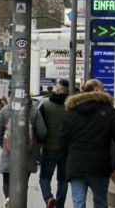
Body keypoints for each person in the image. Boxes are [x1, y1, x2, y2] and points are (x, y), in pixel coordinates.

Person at [59, 78, 115, 208]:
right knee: (100, 201)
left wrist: (65, 163)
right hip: (99, 165)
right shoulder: (108, 111)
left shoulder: (71, 112)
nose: (105, 91)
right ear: (96, 90)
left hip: (76, 164)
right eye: (103, 89)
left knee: (78, 203)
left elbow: (62, 139)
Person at [0, 96, 47, 208]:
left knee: (7, 180)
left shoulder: (6, 110)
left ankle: (9, 199)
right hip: (28, 155)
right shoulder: (34, 111)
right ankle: (19, 203)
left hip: (9, 154)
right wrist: (36, 145)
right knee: (23, 182)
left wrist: (5, 145)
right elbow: (42, 133)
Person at [38, 79, 70, 208]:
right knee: (63, 179)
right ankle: (60, 205)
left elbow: (39, 127)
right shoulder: (71, 105)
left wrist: (40, 141)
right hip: (66, 149)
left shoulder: (45, 104)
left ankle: (49, 198)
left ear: (56, 90)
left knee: (44, 177)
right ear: (67, 91)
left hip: (48, 148)